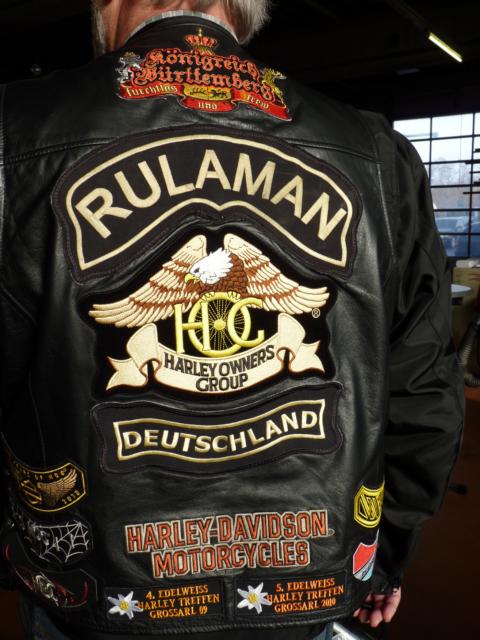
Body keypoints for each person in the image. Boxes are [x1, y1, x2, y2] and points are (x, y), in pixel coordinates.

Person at [0, 1, 464, 639]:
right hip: (314, 582)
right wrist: (381, 557)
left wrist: (21, 552)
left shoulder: (14, 133)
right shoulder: (374, 152)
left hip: (99, 596)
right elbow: (423, 388)